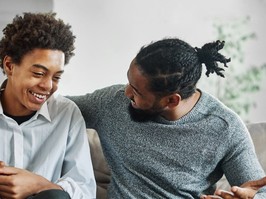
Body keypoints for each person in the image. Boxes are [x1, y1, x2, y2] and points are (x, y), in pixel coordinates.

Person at [68, 38, 266, 198]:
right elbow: (57, 108)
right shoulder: (111, 102)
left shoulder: (225, 128)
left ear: (171, 100)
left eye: (136, 91)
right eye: (128, 81)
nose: (126, 92)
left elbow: (257, 190)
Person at [0, 12, 96, 199]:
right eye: (38, 73)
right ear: (9, 65)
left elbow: (84, 191)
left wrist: (37, 184)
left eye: (56, 77)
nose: (48, 86)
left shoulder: (66, 113)